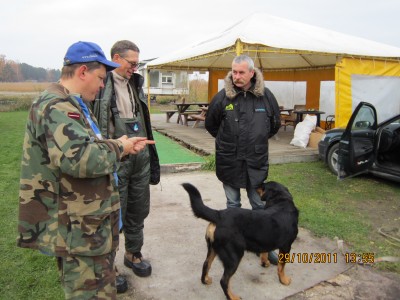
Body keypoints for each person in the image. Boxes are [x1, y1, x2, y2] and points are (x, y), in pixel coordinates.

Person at [17, 41, 155, 299]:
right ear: (82, 72)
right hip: (79, 234)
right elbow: (81, 157)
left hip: (87, 227)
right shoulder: (57, 106)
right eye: (101, 78)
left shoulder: (69, 102)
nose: (103, 85)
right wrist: (120, 148)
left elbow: (85, 144)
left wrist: (118, 144)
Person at [205, 54, 281, 264]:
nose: (236, 76)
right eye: (234, 72)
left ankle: (264, 246)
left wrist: (256, 141)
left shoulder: (266, 96)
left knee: (260, 206)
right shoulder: (222, 97)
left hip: (256, 161)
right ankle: (233, 241)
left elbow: (275, 124)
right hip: (229, 160)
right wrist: (227, 142)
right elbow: (211, 125)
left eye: (241, 72)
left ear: (252, 73)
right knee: (233, 205)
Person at [93, 40, 160, 278]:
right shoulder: (100, 85)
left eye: (137, 63)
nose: (135, 67)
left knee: (138, 209)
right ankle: (110, 267)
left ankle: (133, 253)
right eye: (132, 63)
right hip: (116, 158)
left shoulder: (136, 83)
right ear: (116, 58)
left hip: (139, 158)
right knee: (112, 215)